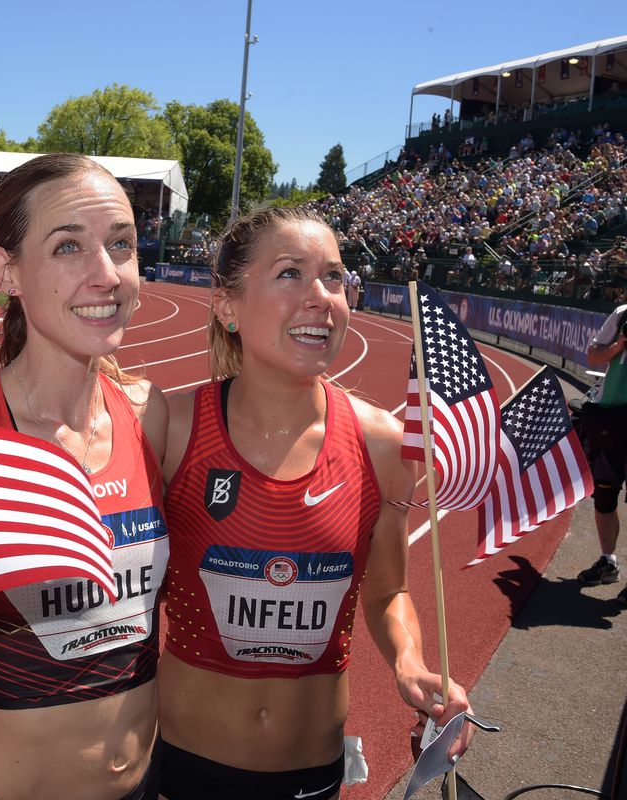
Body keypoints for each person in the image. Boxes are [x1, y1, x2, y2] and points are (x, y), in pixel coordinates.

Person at [157, 205, 472, 800]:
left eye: (334, 276)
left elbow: (387, 591)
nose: (322, 296)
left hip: (311, 776)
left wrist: (410, 662)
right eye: (289, 274)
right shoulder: (171, 430)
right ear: (226, 305)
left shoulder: (383, 444)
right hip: (180, 766)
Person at [0, 153, 169, 800]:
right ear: (6, 271)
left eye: (122, 245)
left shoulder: (150, 415)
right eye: (68, 247)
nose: (107, 274)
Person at [577, 303, 627, 605]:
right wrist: (620, 344)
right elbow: (594, 355)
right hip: (611, 418)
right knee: (605, 494)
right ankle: (608, 561)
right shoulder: (623, 314)